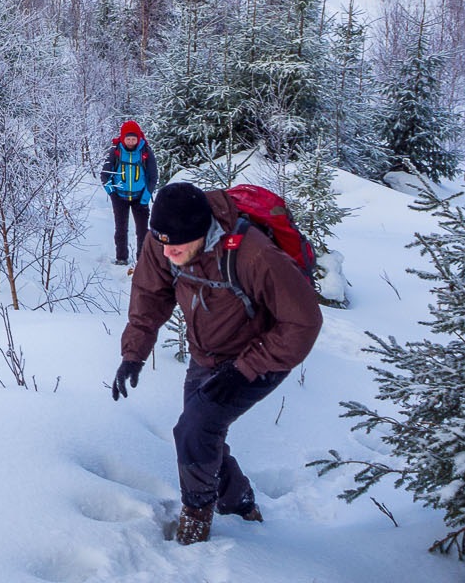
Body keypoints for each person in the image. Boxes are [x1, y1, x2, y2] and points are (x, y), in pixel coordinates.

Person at [109, 181, 322, 546]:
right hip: (206, 355)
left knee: (194, 430)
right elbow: (149, 295)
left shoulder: (253, 254)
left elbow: (304, 322)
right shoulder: (163, 241)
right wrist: (133, 354)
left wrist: (246, 370)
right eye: (162, 243)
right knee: (200, 436)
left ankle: (196, 518)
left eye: (176, 246)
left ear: (200, 233)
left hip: (261, 355)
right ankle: (241, 506)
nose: (168, 251)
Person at [100, 120, 157, 267]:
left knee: (143, 230)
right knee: (121, 229)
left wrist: (146, 195)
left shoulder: (146, 152)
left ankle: (143, 260)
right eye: (128, 139)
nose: (131, 142)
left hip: (140, 197)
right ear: (123, 138)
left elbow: (152, 176)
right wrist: (112, 192)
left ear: (139, 138)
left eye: (133, 139)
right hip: (120, 196)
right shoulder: (115, 151)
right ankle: (121, 258)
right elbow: (105, 174)